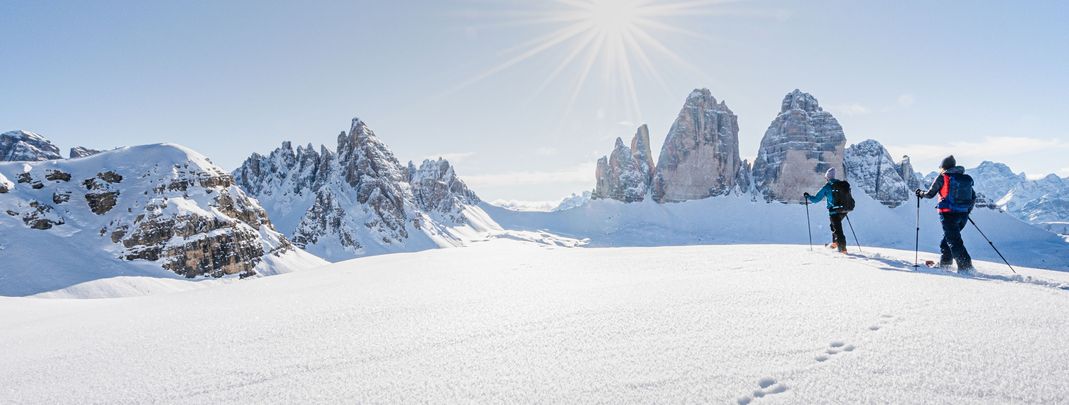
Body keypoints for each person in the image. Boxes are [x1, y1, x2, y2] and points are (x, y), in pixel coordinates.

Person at [916, 155, 975, 272]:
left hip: (948, 215)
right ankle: (945, 264)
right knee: (947, 241)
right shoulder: (964, 178)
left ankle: (966, 267)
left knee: (954, 241)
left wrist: (920, 193)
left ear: (944, 167)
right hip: (963, 215)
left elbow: (930, 194)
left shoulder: (943, 177)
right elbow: (973, 197)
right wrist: (967, 211)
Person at [804, 168, 851, 253]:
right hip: (843, 210)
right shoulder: (841, 184)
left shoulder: (827, 187)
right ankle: (835, 243)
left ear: (827, 178)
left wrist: (808, 196)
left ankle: (843, 249)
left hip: (834, 211)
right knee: (834, 226)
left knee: (837, 229)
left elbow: (816, 199)